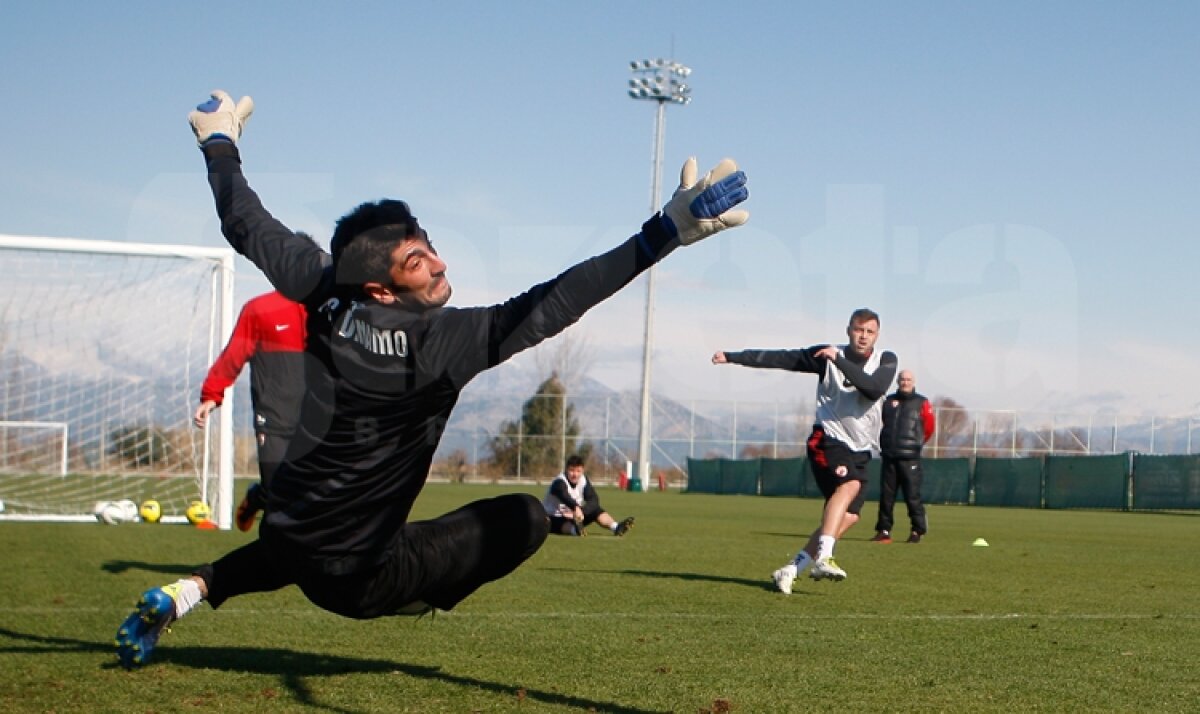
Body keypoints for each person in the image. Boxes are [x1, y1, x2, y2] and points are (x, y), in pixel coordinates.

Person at [114, 89, 749, 668]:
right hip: (360, 579)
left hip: (292, 529)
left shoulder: (321, 284)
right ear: (381, 291)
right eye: (417, 261)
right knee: (526, 518)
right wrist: (665, 232)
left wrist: (218, 141)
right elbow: (559, 300)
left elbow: (244, 221)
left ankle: (185, 591)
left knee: (308, 536)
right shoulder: (441, 342)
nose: (439, 263)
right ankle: (423, 597)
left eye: (429, 244)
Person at [712, 308, 897, 594]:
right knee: (848, 486)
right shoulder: (826, 355)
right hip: (828, 439)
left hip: (861, 447)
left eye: (869, 331)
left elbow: (873, 389)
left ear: (877, 335)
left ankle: (792, 568)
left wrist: (839, 360)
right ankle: (824, 557)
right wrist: (734, 356)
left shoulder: (885, 359)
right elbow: (781, 358)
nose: (863, 336)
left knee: (850, 516)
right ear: (848, 330)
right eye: (858, 330)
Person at [194, 289, 307, 531]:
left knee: (316, 495)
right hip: (274, 418)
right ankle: (260, 497)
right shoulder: (260, 309)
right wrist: (212, 394)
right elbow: (234, 353)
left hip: (320, 421)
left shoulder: (331, 308)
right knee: (278, 492)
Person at [871, 370, 934, 544]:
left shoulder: (922, 402)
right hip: (890, 457)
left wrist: (916, 444)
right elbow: (883, 422)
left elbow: (929, 427)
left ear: (913, 382)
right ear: (897, 381)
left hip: (910, 458)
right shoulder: (889, 401)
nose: (905, 382)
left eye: (908, 379)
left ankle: (917, 530)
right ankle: (883, 530)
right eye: (902, 379)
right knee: (886, 496)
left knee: (912, 496)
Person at [543, 455, 634, 537]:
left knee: (595, 509)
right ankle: (575, 531)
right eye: (572, 470)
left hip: (575, 516)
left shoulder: (583, 480)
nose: (575, 474)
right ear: (566, 470)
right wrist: (576, 508)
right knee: (558, 522)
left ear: (582, 470)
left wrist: (582, 511)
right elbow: (565, 497)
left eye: (578, 471)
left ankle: (616, 527)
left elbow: (593, 499)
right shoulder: (559, 482)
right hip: (553, 517)